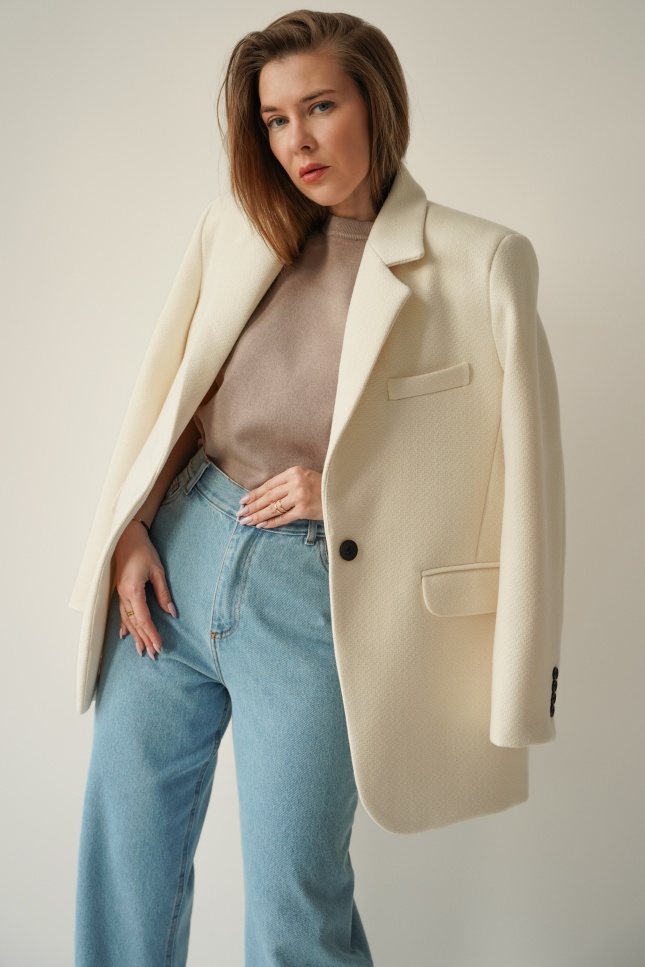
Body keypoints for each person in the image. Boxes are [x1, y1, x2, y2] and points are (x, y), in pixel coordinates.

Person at [71, 9, 566, 967]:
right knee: (124, 863)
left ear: (376, 104)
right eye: (274, 119)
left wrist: (341, 490)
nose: (296, 140)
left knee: (295, 901)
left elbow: (516, 485)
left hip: (320, 597)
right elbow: (177, 395)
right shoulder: (235, 228)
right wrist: (132, 527)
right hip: (174, 563)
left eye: (320, 107)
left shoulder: (480, 262)